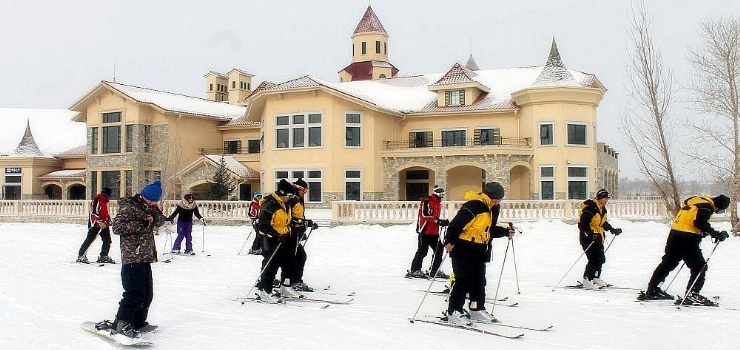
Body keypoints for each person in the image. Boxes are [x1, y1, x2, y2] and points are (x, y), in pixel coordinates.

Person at [442, 182, 514, 325]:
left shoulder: (492, 208)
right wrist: (448, 241)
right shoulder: (474, 205)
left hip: (480, 249)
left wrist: (505, 232)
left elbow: (489, 230)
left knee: (479, 281)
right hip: (463, 247)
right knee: (463, 280)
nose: (500, 201)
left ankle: (476, 308)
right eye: (499, 198)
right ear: (493, 197)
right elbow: (455, 225)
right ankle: (453, 311)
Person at [104, 180, 166, 338]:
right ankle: (122, 323)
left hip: (145, 255)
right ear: (143, 195)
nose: (152, 203)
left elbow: (160, 220)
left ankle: (138, 322)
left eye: (155, 201)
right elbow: (117, 227)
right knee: (134, 293)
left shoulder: (149, 207)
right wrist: (142, 223)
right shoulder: (129, 207)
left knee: (147, 294)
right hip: (132, 256)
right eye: (150, 200)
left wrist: (153, 215)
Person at [641, 194, 730, 303]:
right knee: (699, 267)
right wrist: (715, 234)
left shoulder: (696, 201)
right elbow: (699, 223)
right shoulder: (707, 207)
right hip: (688, 239)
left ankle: (652, 289)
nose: (717, 212)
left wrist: (706, 233)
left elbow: (692, 221)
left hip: (674, 234)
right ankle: (692, 293)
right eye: (720, 211)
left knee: (668, 263)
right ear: (718, 205)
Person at [256, 179, 299, 303]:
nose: (290, 198)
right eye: (289, 195)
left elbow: (286, 220)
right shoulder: (269, 204)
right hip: (269, 238)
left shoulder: (285, 203)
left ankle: (285, 286)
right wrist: (276, 235)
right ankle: (265, 290)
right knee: (271, 264)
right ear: (282, 193)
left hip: (284, 236)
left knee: (289, 262)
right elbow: (263, 225)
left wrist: (291, 228)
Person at [577, 189, 622, 290]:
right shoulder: (590, 208)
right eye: (605, 198)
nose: (606, 200)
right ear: (600, 198)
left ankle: (596, 277)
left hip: (598, 237)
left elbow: (603, 223)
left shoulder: (602, 209)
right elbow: (582, 224)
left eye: (607, 199)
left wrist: (612, 230)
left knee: (601, 258)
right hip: (587, 238)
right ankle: (587, 279)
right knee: (593, 259)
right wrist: (590, 234)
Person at [406, 186, 449, 279]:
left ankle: (434, 270)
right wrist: (437, 221)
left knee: (439, 249)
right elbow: (425, 214)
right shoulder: (427, 201)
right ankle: (414, 270)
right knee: (422, 251)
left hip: (434, 231)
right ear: (436, 194)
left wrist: (441, 221)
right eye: (441, 194)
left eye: (443, 194)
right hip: (424, 230)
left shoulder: (438, 203)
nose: (442, 197)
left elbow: (434, 217)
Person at [288, 178, 319, 292]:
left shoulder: (299, 199)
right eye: (304, 190)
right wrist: (302, 223)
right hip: (290, 233)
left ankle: (294, 280)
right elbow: (290, 217)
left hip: (297, 232)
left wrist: (307, 223)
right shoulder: (292, 200)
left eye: (306, 191)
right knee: (298, 257)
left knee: (299, 256)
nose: (305, 193)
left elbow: (299, 216)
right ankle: (292, 281)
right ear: (298, 189)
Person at [77, 187, 116, 264]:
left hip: (104, 224)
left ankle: (103, 256)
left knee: (107, 240)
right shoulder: (97, 200)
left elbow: (104, 213)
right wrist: (98, 221)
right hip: (95, 224)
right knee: (89, 240)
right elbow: (94, 212)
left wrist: (108, 220)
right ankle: (81, 255)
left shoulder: (104, 201)